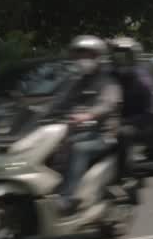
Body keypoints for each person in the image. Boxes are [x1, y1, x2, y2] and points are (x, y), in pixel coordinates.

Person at [51, 35, 122, 214]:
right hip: (78, 132)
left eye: (88, 55)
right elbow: (60, 102)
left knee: (78, 148)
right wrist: (40, 111)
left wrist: (88, 114)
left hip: (104, 135)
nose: (83, 60)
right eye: (80, 55)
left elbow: (108, 104)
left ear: (98, 57)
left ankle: (68, 197)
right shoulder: (77, 81)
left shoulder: (108, 82)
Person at [109, 37, 153, 176]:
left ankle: (126, 175)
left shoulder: (144, 81)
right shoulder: (110, 76)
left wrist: (124, 122)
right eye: (118, 55)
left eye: (126, 55)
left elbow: (152, 111)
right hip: (110, 122)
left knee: (123, 134)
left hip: (137, 123)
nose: (122, 59)